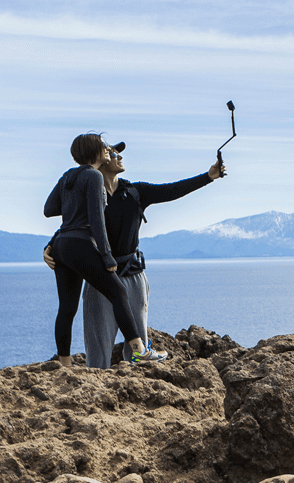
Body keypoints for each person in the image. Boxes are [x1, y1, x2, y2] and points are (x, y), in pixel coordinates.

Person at [44, 134, 224, 367]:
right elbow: (73, 222)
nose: (117, 156)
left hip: (133, 276)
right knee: (97, 352)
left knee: (138, 354)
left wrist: (208, 177)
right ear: (102, 159)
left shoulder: (135, 192)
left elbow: (172, 190)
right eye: (113, 152)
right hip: (99, 275)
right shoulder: (89, 187)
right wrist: (52, 244)